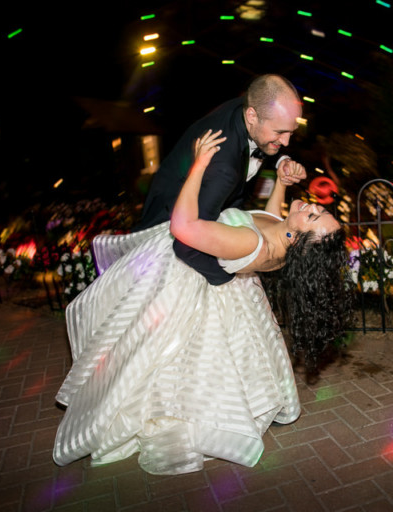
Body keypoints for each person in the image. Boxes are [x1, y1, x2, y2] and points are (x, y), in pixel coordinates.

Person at [53, 129, 352, 475]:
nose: (314, 206)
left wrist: (199, 165)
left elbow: (184, 228)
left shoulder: (250, 245)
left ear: (298, 241)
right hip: (230, 289)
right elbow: (272, 220)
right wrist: (281, 183)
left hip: (183, 279)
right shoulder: (284, 241)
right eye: (319, 210)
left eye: (313, 218)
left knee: (160, 354)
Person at [134, 74, 307, 286]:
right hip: (172, 248)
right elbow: (186, 246)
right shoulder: (224, 168)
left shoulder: (245, 109)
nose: (287, 141)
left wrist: (281, 160)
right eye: (280, 132)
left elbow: (260, 144)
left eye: (291, 131)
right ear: (252, 116)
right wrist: (230, 280)